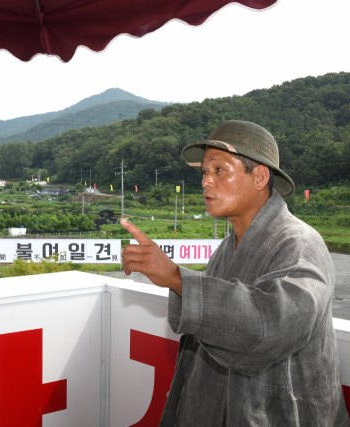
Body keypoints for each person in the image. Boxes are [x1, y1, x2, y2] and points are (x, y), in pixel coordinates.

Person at [121, 120, 349, 426]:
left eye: (219, 170)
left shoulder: (300, 246)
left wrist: (177, 278)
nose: (205, 182)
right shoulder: (226, 250)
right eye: (204, 172)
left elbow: (270, 324)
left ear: (259, 176)